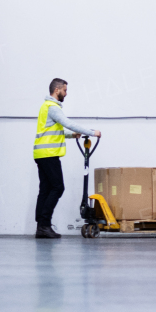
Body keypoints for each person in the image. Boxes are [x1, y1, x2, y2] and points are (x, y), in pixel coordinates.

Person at [33, 78, 101, 238]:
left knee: (45, 190)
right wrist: (92, 132)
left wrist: (71, 135)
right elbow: (67, 123)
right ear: (57, 90)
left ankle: (40, 227)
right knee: (58, 187)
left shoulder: (45, 107)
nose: (66, 93)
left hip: (41, 154)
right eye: (65, 90)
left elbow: (54, 131)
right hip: (49, 154)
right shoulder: (53, 107)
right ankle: (44, 224)